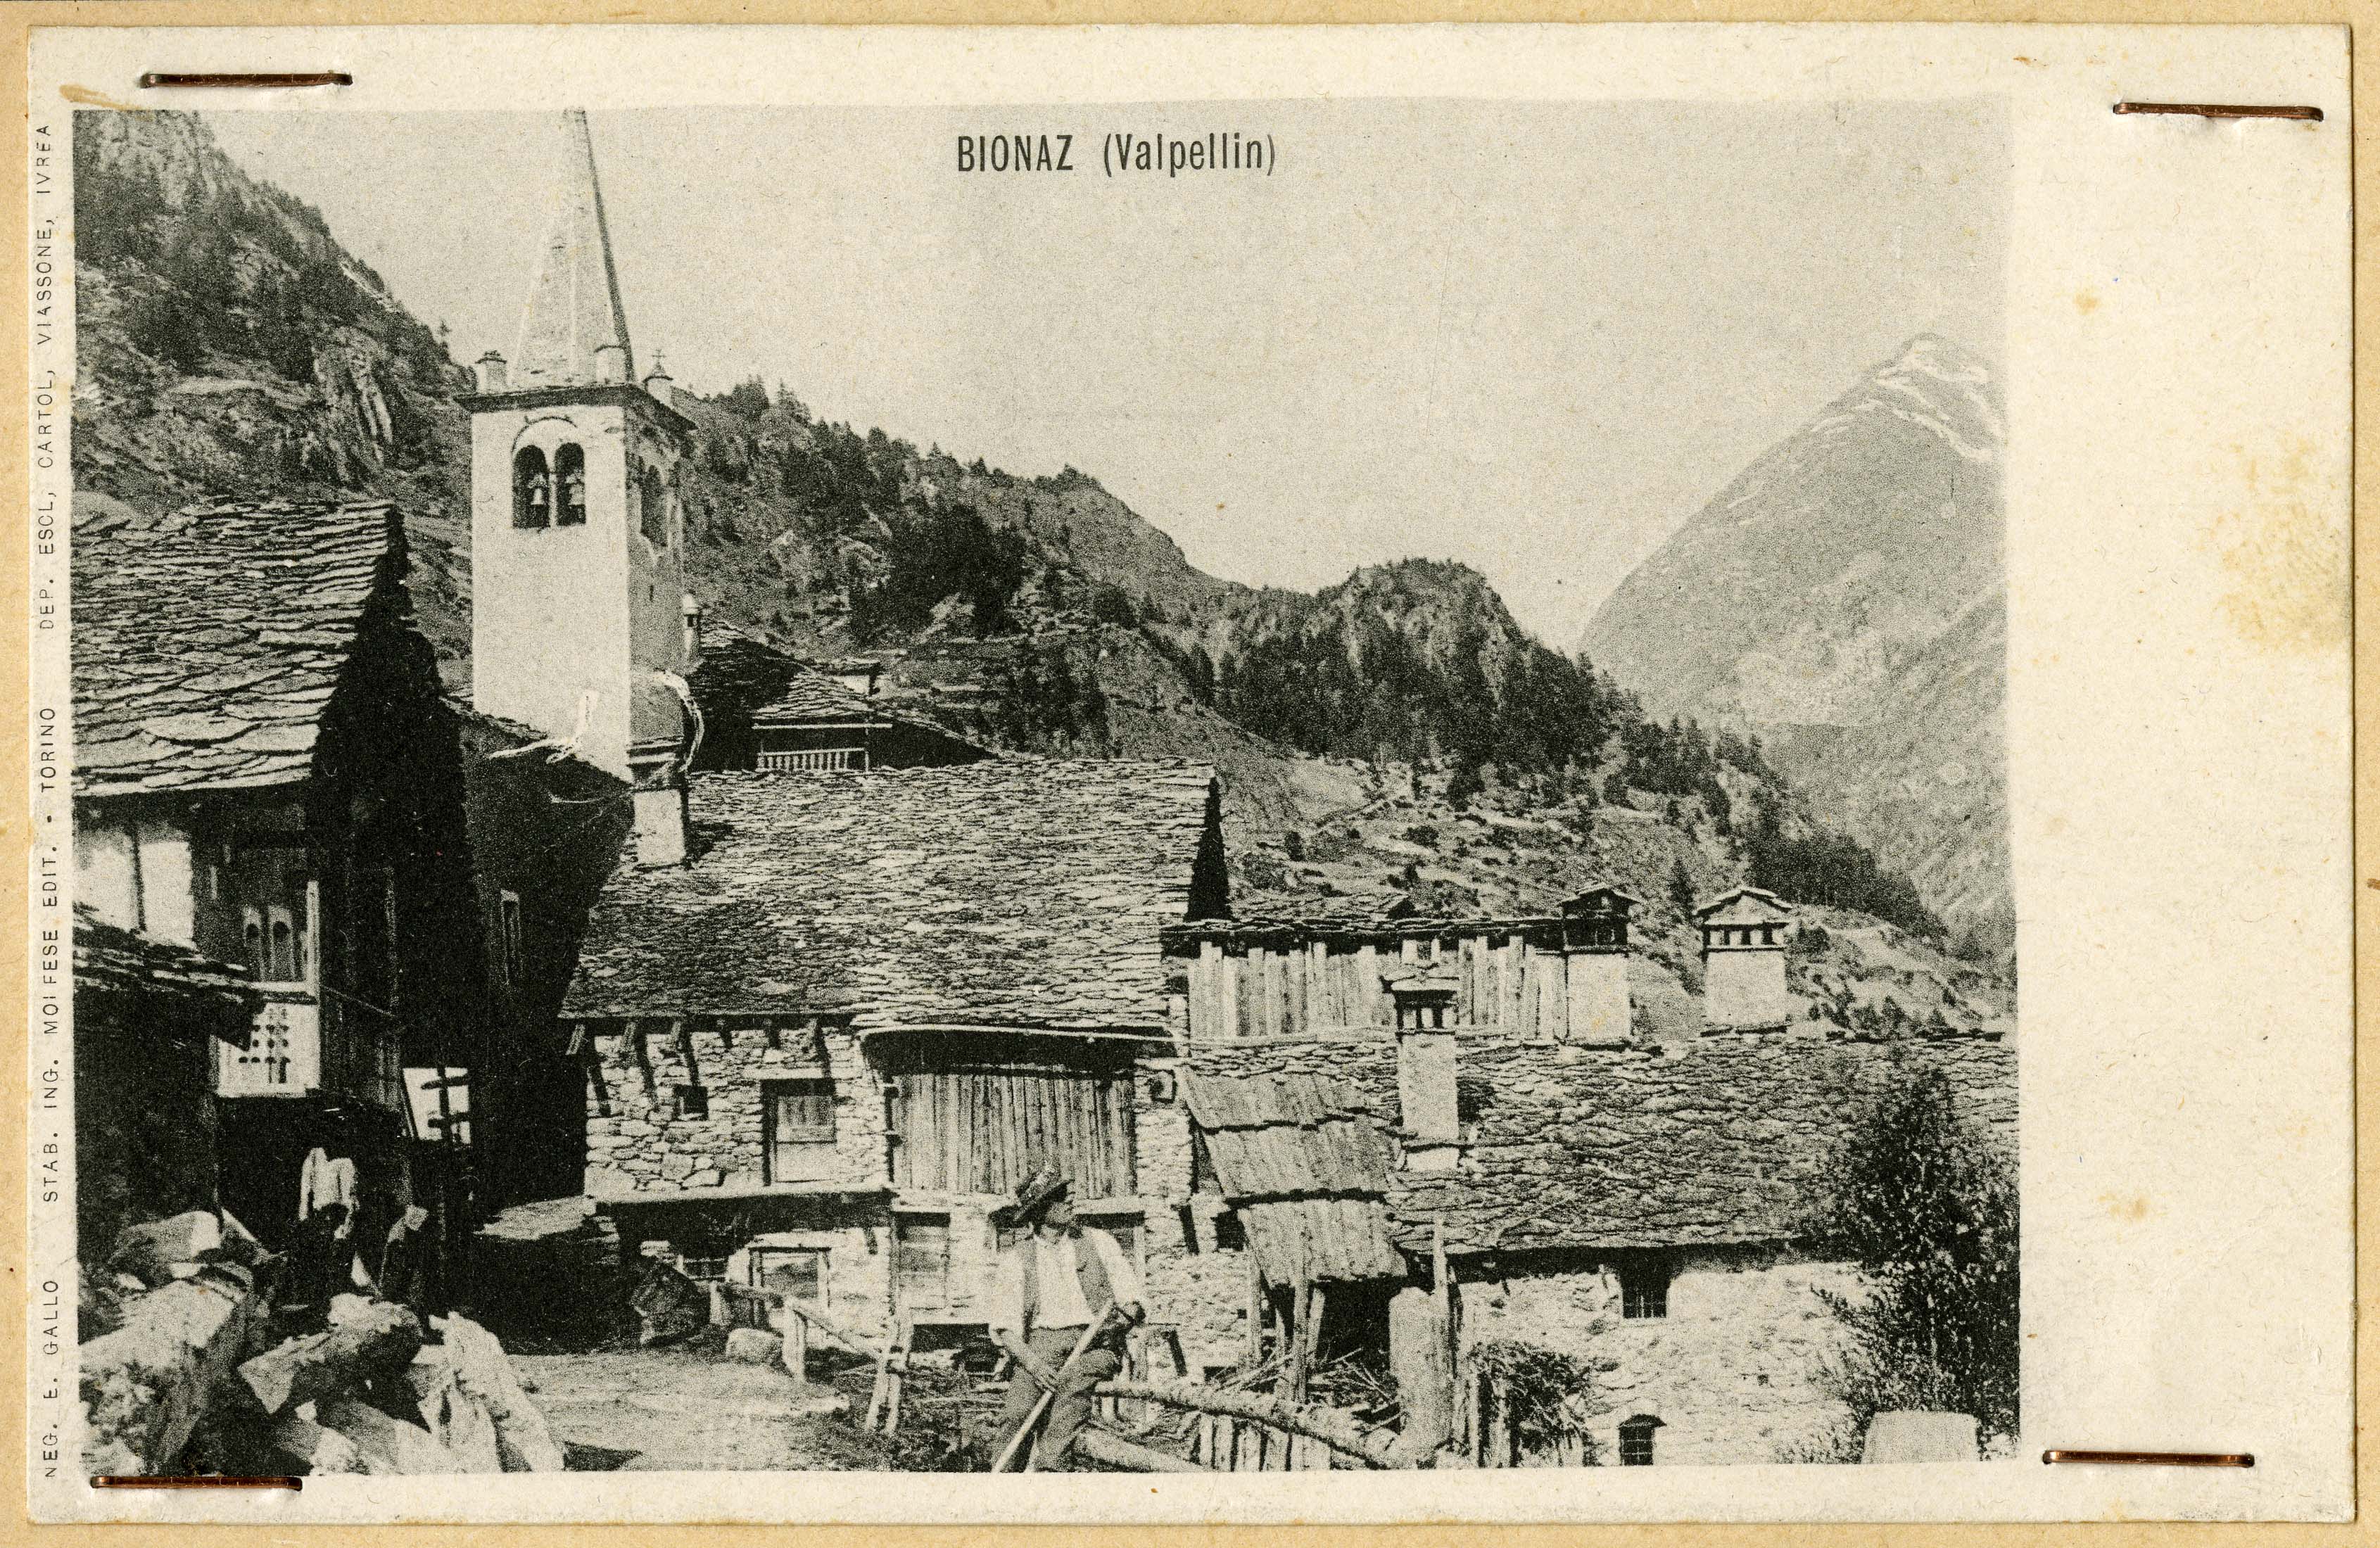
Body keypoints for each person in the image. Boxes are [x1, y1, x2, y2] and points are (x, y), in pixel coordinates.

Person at [982, 1162, 1146, 1471]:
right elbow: (1005, 1328)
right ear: (1041, 1211)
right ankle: (1003, 1484)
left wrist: (1118, 1324)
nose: (1070, 1201)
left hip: (1097, 1342)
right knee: (1017, 1413)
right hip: (1041, 1346)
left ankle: (1049, 1472)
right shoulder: (1017, 1258)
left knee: (1071, 1387)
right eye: (1060, 1197)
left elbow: (1132, 1301)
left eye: (1067, 1194)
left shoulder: (1099, 1242)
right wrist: (1033, 1364)